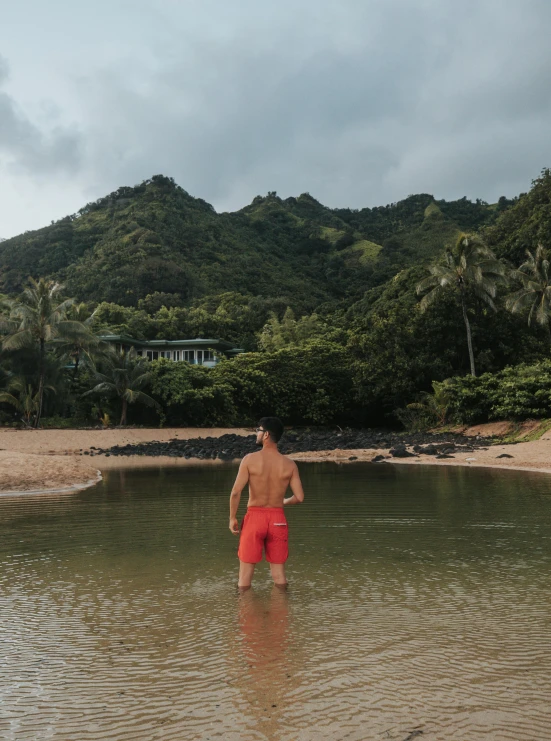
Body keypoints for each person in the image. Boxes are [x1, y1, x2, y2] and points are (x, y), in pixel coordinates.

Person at [229, 417, 305, 591]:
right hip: (278, 518)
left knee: (244, 579)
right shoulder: (289, 464)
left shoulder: (249, 460)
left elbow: (235, 492)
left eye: (259, 430)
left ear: (266, 435)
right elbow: (299, 497)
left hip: (255, 518)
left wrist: (232, 517)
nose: (257, 432)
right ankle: (281, 614)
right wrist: (283, 502)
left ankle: (246, 614)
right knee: (279, 576)